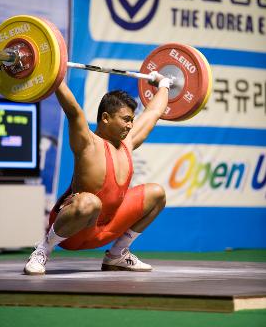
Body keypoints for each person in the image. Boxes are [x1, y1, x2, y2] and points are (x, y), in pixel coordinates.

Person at [24, 71, 171, 275]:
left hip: (106, 228)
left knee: (157, 193)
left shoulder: (127, 143)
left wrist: (164, 84)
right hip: (74, 230)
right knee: (90, 202)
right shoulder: (87, 143)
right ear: (105, 118)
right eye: (126, 119)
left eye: (131, 120)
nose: (130, 125)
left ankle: (117, 255)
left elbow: (154, 112)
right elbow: (73, 110)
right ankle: (43, 249)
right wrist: (53, 74)